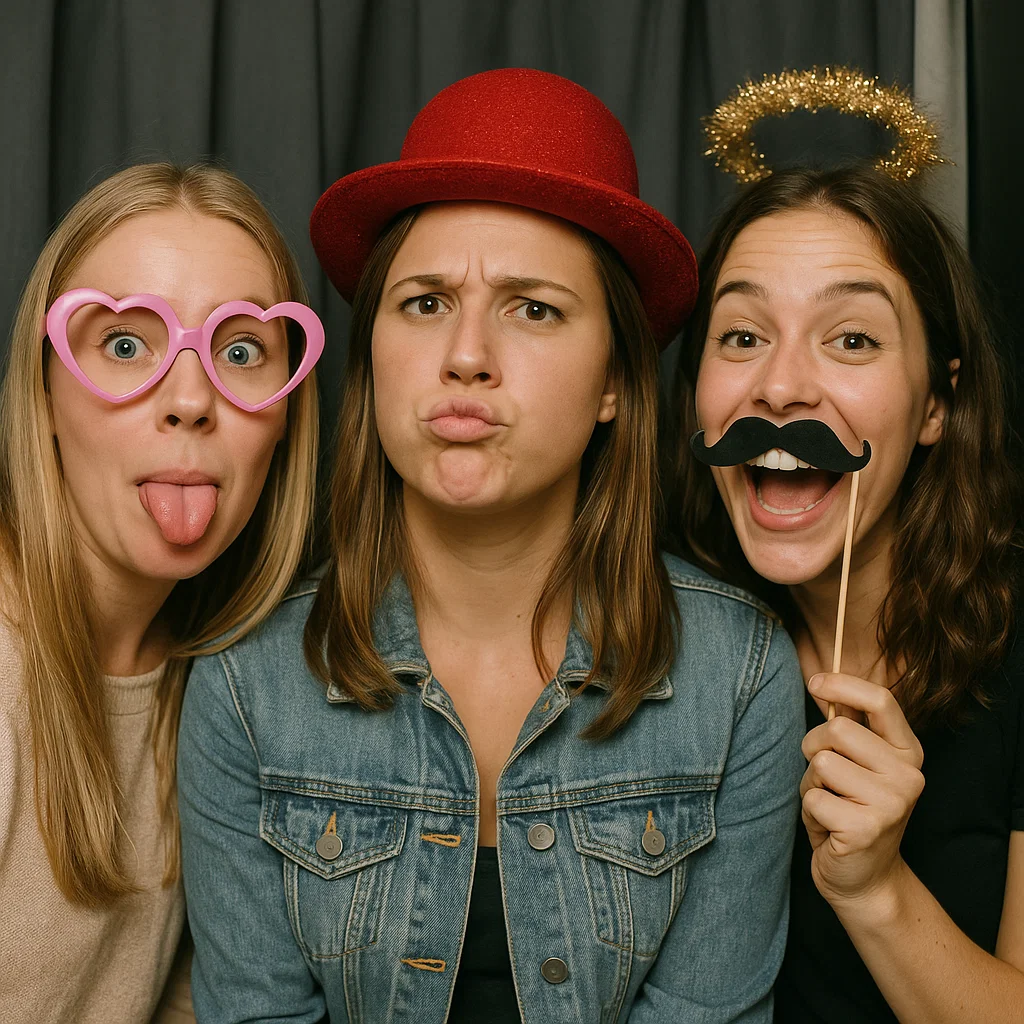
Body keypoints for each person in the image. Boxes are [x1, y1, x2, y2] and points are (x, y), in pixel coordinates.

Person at [178, 68, 806, 1023]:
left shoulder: (744, 675)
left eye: (534, 308)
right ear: (374, 353)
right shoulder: (242, 682)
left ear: (614, 384)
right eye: (425, 302)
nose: (466, 353)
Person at [670, 164, 1023, 1021]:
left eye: (853, 340)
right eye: (743, 337)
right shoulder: (657, 639)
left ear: (937, 402)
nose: (782, 386)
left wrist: (875, 891)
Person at [0, 162, 322, 1023]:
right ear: (46, 384)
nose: (189, 400)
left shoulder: (228, 684)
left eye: (242, 351)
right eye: (124, 344)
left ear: (290, 418)